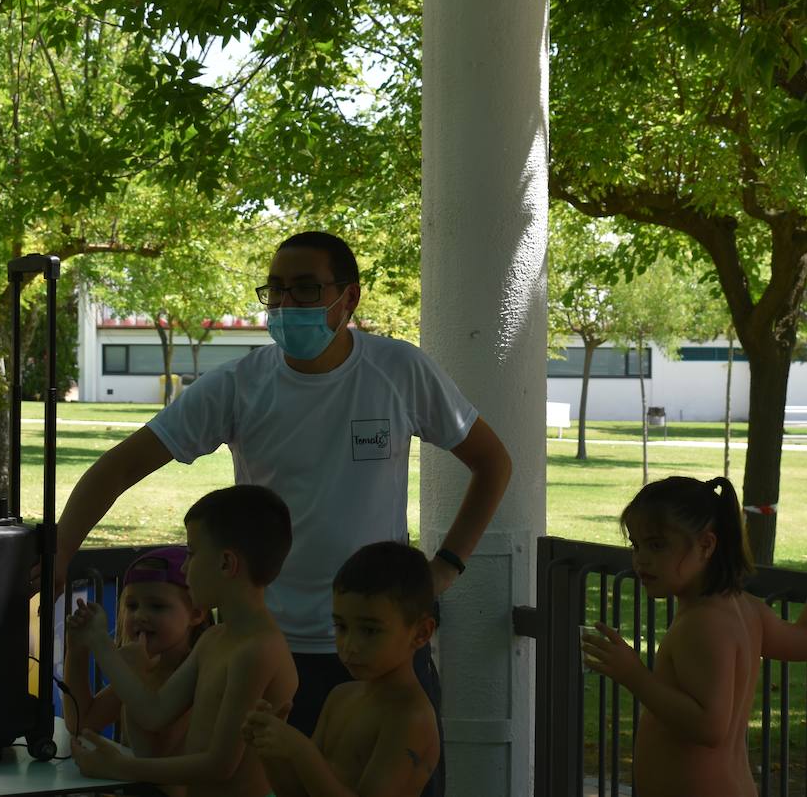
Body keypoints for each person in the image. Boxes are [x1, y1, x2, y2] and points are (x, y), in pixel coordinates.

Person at [53, 231, 512, 794]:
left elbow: (492, 463)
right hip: (272, 652)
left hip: (379, 651)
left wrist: (447, 565)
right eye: (275, 291)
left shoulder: (399, 370)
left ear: (349, 299)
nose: (287, 305)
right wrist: (59, 555)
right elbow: (118, 469)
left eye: (305, 289)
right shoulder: (240, 385)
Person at [580, 475, 807, 797]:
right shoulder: (744, 608)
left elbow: (709, 726)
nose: (641, 558)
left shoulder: (702, 624)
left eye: (657, 545)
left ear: (706, 545)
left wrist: (633, 674)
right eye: (636, 544)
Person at [68, 484, 299, 797]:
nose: (186, 567)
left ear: (226, 564)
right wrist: (98, 643)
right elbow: (153, 711)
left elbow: (219, 766)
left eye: (191, 553)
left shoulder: (257, 651)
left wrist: (120, 767)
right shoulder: (215, 639)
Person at [241, 541, 440, 797]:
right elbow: (297, 792)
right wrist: (270, 751)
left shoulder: (411, 718)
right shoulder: (341, 696)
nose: (350, 646)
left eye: (370, 630)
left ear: (421, 633)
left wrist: (302, 752)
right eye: (341, 627)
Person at [63, 546, 209, 772]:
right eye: (132, 606)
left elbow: (152, 756)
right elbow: (82, 723)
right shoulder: (146, 663)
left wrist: (133, 676)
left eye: (157, 606)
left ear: (196, 614)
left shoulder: (195, 673)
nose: (140, 615)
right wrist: (77, 650)